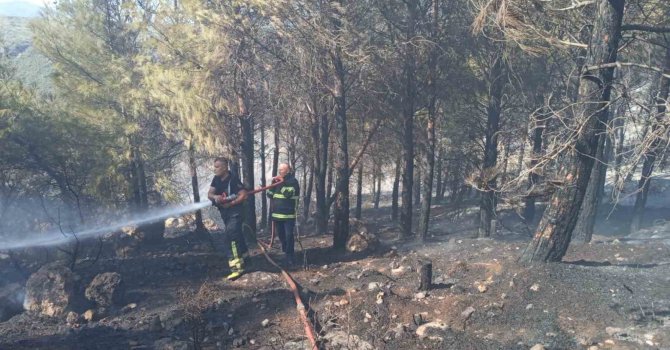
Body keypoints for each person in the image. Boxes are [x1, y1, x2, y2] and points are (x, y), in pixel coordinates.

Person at [207, 157, 249, 281]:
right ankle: (247, 260)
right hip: (225, 214)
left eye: (217, 167)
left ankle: (237, 269)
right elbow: (209, 194)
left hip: (235, 213)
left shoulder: (233, 179)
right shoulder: (216, 179)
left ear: (225, 167)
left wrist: (231, 203)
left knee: (230, 238)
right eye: (214, 167)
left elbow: (243, 195)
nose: (215, 169)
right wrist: (216, 197)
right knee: (238, 236)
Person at [267, 163, 300, 266]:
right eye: (279, 169)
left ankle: (290, 256)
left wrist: (280, 183)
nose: (280, 171)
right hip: (277, 215)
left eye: (282, 170)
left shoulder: (293, 181)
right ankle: (285, 252)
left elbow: (288, 194)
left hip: (288, 215)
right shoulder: (277, 182)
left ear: (288, 170)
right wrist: (272, 185)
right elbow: (269, 194)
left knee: (289, 235)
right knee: (281, 235)